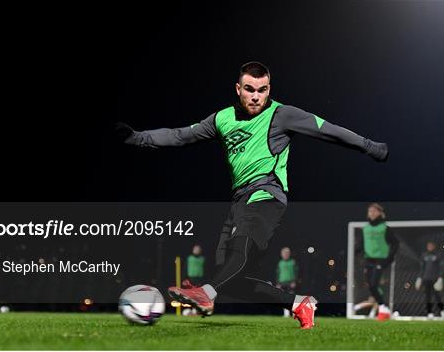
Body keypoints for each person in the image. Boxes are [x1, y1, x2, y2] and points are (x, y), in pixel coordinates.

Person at [117, 61, 389, 329]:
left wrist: (369, 146)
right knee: (231, 279)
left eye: (262, 89)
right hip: (239, 199)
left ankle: (206, 293)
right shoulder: (222, 118)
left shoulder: (283, 115)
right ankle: (297, 303)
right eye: (250, 89)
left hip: (267, 194)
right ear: (238, 89)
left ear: (269, 89)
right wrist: (138, 138)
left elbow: (328, 129)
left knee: (235, 258)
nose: (256, 96)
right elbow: (180, 136)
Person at [357, 203, 398, 321]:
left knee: (374, 283)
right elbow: (360, 245)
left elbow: (395, 243)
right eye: (370, 211)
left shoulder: (384, 228)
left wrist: (389, 258)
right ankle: (384, 309)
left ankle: (383, 309)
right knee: (370, 285)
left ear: (380, 213)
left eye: (374, 211)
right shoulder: (365, 229)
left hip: (380, 259)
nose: (372, 213)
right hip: (368, 260)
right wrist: (356, 252)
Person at [415, 241, 444, 319]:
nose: (430, 247)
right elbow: (422, 268)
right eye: (428, 246)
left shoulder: (438, 255)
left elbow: (442, 267)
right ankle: (429, 313)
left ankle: (442, 311)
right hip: (426, 279)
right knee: (427, 296)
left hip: (435, 279)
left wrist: (440, 277)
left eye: (431, 245)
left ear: (434, 246)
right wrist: (419, 278)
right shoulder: (424, 255)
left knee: (437, 296)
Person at [276, 247, 299, 317]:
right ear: (281, 254)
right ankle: (286, 313)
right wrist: (278, 283)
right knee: (284, 299)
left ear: (290, 254)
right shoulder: (280, 263)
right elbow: (277, 273)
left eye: (287, 253)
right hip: (282, 283)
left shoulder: (293, 262)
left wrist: (294, 281)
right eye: (284, 253)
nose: (286, 254)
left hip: (291, 283)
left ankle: (294, 313)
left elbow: (297, 272)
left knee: (292, 299)